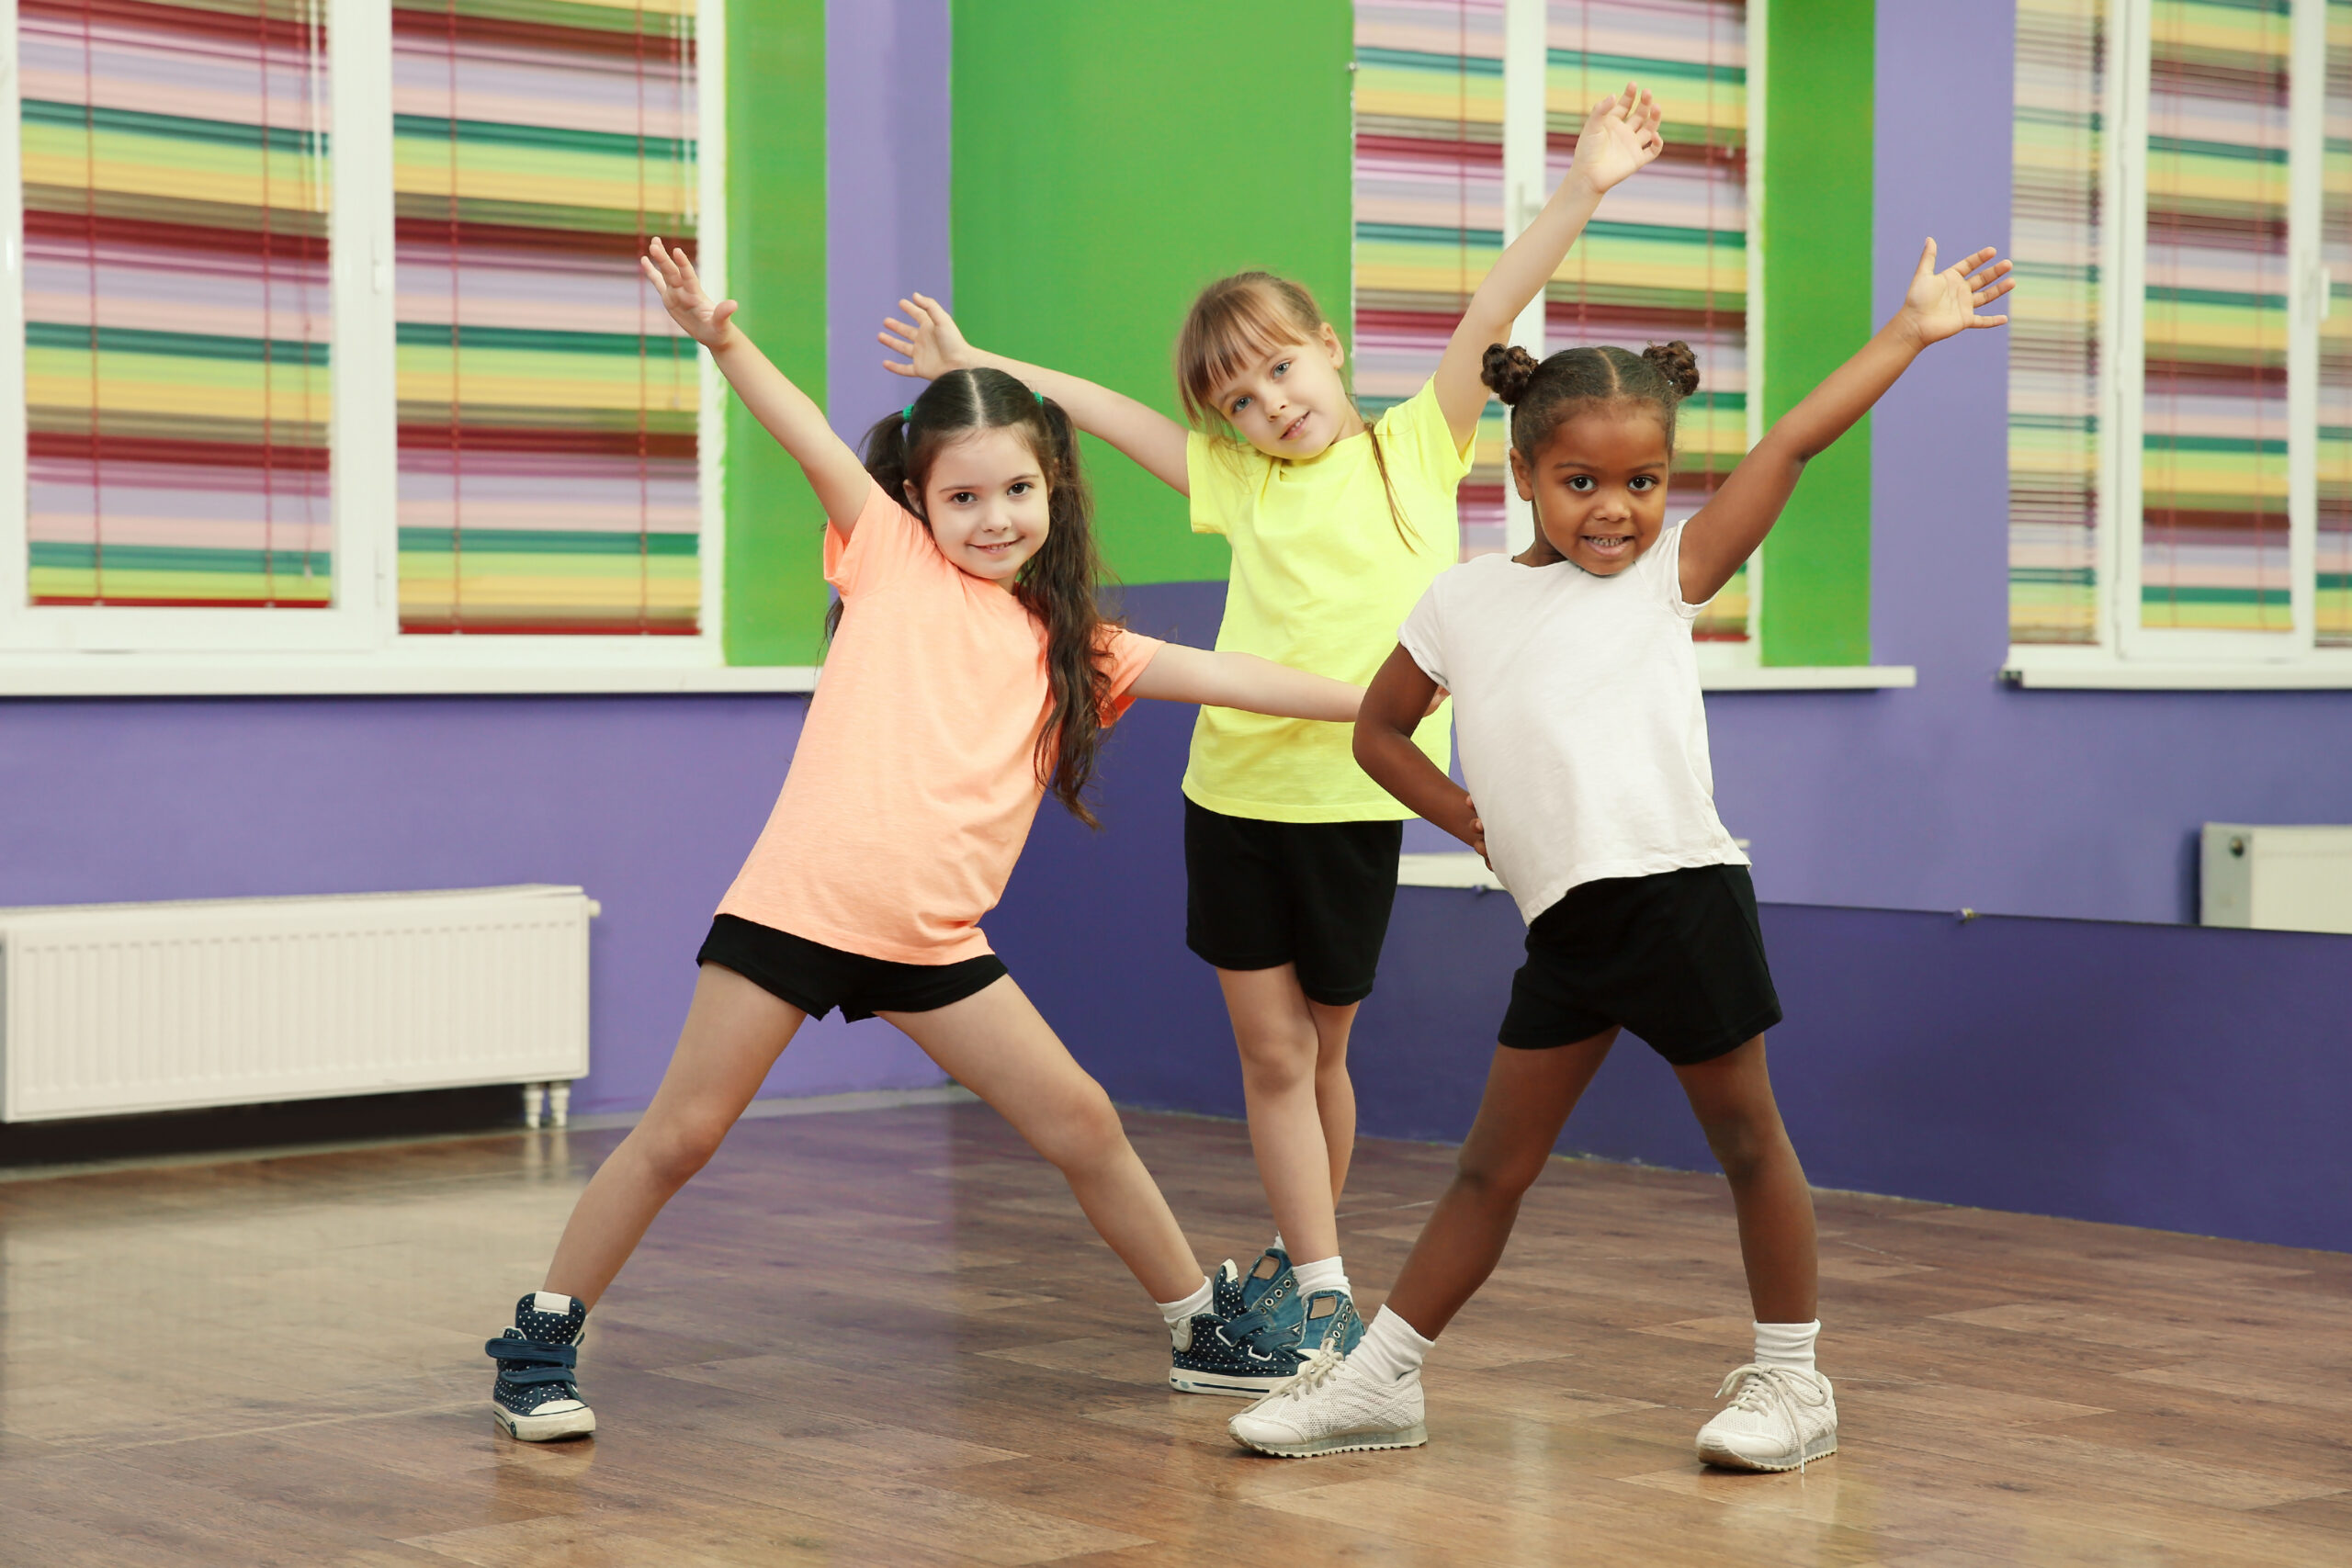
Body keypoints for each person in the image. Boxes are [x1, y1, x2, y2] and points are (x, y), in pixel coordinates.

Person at [485, 238, 1376, 1441]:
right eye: (962, 497)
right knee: (681, 1135)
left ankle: (1196, 1328)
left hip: (933, 944)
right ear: (917, 503)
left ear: (1054, 491)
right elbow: (805, 433)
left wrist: (1392, 697)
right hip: (797, 914)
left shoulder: (1085, 648)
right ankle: (541, 1341)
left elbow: (1251, 677)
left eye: (1017, 492)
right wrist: (725, 339)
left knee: (1084, 1123)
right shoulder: (890, 559)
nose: (993, 517)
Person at [876, 86, 1667, 1392]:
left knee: (1328, 1052)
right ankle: (1327, 1293)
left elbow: (1492, 309)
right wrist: (985, 364)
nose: (1270, 404)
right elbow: (1100, 415)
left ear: (1330, 347)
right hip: (1236, 797)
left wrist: (1584, 183)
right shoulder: (1239, 484)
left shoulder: (1417, 450)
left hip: (1355, 801)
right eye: (1238, 399)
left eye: (1281, 369)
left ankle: (1305, 1264)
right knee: (1274, 1052)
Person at [1227, 238, 2014, 1467]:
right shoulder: (1463, 602)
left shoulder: (1665, 579)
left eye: (1644, 482)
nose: (1616, 509)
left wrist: (1908, 333)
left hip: (1682, 898)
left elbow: (1789, 446)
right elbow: (1379, 732)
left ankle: (1793, 1384)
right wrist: (1468, 815)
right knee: (1490, 1171)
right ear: (1524, 474)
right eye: (1582, 482)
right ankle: (1378, 1384)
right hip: (1567, 929)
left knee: (1747, 1144)